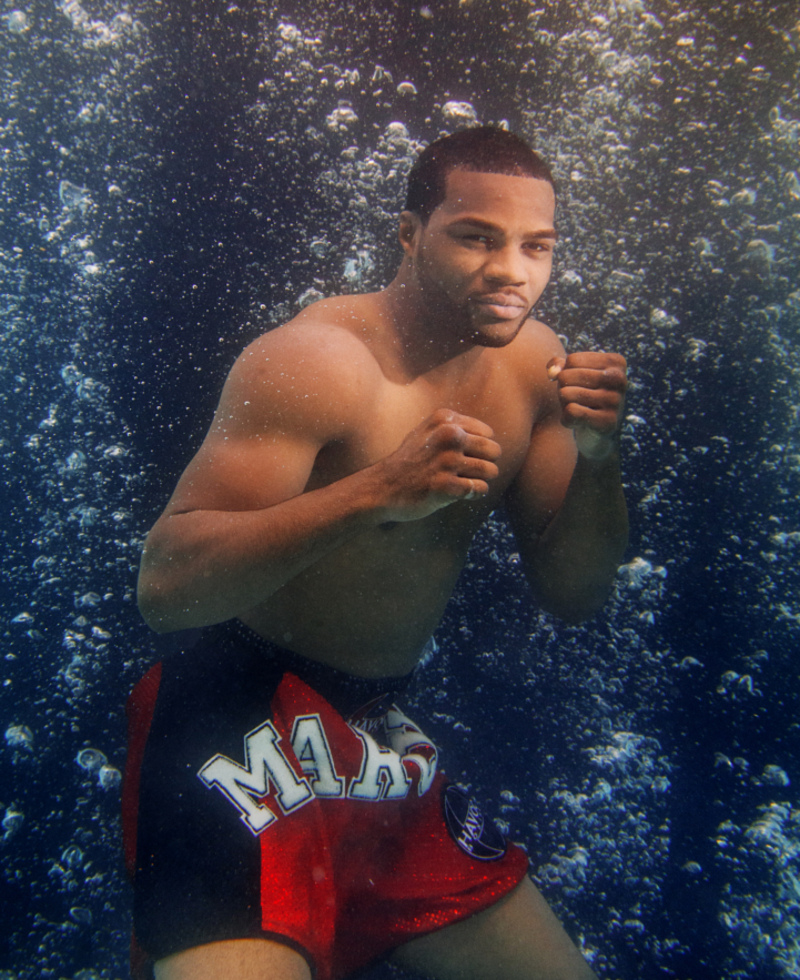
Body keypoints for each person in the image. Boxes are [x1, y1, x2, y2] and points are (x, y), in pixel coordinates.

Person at [126, 126, 628, 980]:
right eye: (476, 236)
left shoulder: (537, 368)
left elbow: (575, 595)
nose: (512, 270)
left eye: (536, 246)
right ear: (408, 234)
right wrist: (374, 493)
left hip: (376, 741)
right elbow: (166, 587)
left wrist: (598, 459)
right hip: (231, 730)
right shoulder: (318, 362)